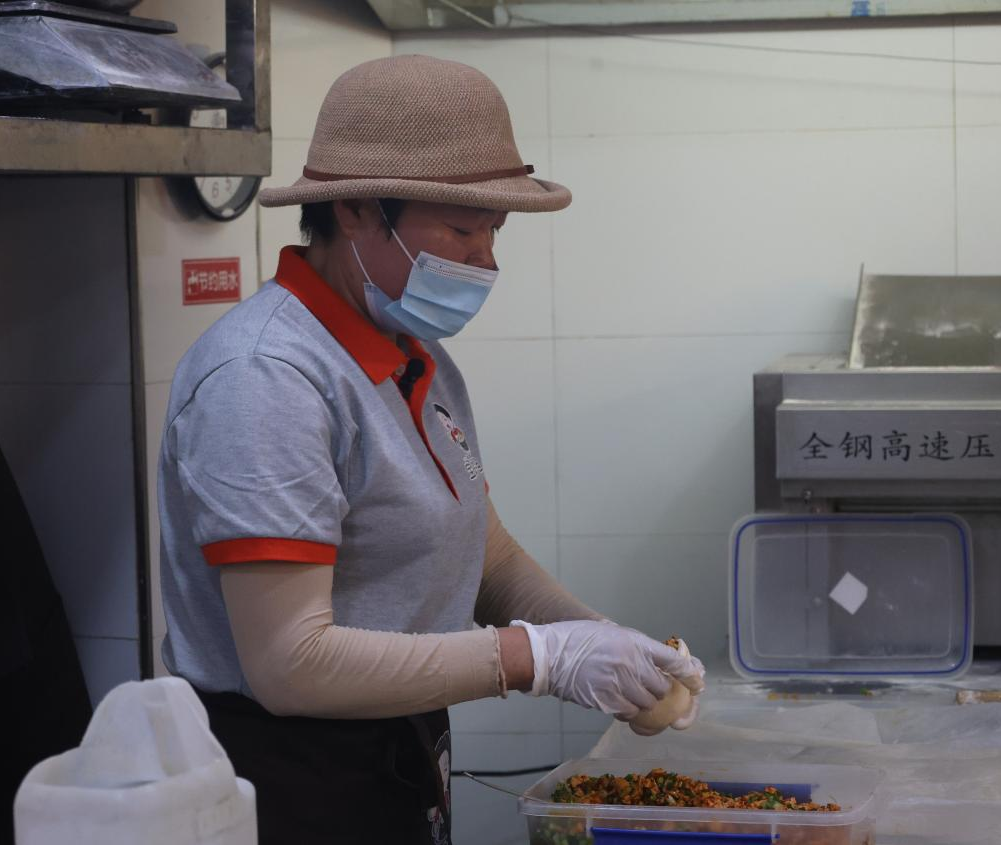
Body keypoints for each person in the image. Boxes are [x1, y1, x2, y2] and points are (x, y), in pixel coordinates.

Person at [156, 55, 706, 845]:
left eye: (493, 232)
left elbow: (483, 553)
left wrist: (603, 641)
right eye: (459, 229)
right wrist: (538, 658)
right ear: (353, 210)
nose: (485, 261)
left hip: (393, 747)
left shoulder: (415, 357)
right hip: (284, 777)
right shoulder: (265, 378)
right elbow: (290, 663)